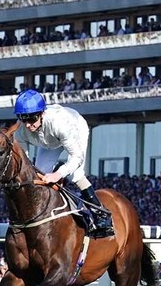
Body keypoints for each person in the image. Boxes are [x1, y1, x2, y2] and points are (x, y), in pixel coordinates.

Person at [12, 89, 113, 238]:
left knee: (75, 174)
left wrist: (58, 174)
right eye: (23, 119)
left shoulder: (59, 124)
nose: (27, 125)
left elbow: (77, 156)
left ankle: (101, 215)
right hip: (49, 141)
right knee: (40, 173)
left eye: (31, 119)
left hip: (75, 128)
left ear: (41, 113)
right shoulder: (20, 130)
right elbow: (24, 162)